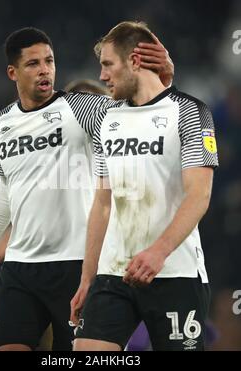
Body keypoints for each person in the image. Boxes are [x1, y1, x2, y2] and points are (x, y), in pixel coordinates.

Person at [0, 27, 174, 351]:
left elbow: (138, 113)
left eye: (49, 61)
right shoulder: (2, 122)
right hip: (19, 269)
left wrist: (161, 79)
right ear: (12, 72)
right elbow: (6, 187)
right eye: (33, 63)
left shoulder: (81, 109)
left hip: (74, 265)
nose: (45, 69)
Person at [71, 21, 219, 351]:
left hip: (174, 273)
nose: (103, 76)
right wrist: (88, 277)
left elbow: (199, 194)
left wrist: (158, 252)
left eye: (108, 65)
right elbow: (103, 203)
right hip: (113, 275)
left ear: (135, 61)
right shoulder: (105, 119)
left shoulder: (190, 111)